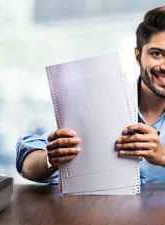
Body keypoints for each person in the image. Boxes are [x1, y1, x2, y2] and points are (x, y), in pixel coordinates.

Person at [16, 6, 165, 184]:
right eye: (157, 54)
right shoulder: (98, 102)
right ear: (137, 55)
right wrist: (51, 159)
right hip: (98, 211)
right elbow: (28, 159)